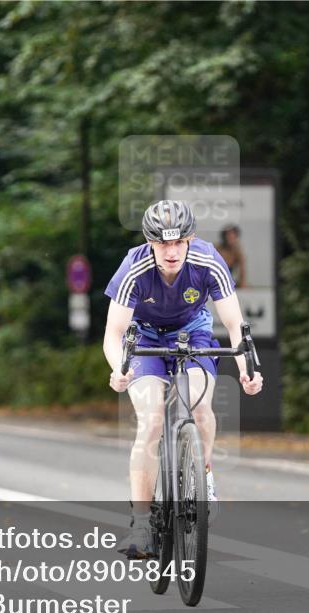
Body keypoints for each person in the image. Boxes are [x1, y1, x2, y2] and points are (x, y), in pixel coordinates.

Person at [103, 200, 263, 559]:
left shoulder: (208, 260)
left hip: (192, 332)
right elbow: (113, 334)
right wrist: (119, 368)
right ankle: (142, 524)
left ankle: (202, 476)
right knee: (151, 419)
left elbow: (236, 324)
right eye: (162, 244)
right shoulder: (134, 267)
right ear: (150, 243)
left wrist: (246, 370)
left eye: (178, 243)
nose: (171, 252)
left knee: (199, 404)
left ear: (190, 239)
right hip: (144, 337)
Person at [216, 224, 247, 288]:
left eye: (232, 236)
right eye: (228, 236)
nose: (230, 238)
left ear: (236, 237)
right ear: (224, 237)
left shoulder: (237, 251)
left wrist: (242, 283)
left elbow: (242, 269)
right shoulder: (218, 250)